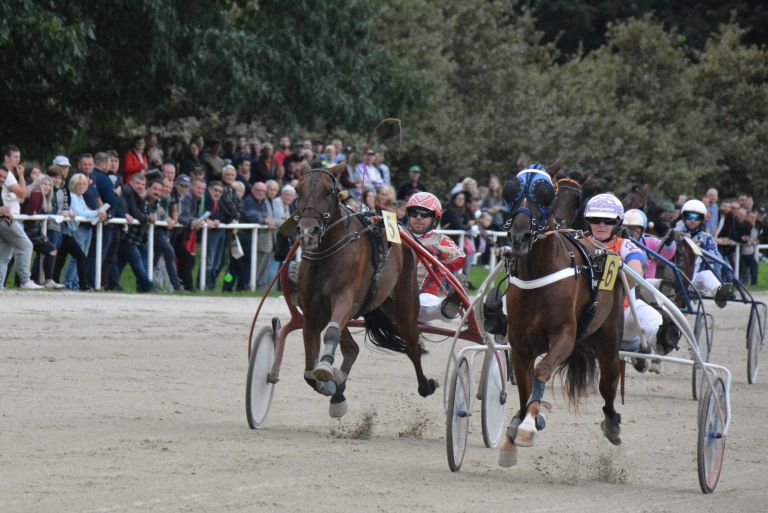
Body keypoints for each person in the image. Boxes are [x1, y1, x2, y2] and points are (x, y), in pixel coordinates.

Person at [584, 194, 663, 372]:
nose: (601, 225)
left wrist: (616, 276)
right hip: (583, 317)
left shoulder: (625, 245)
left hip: (620, 317)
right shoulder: (577, 245)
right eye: (595, 219)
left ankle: (660, 339)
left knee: (644, 311)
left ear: (617, 223)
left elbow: (636, 270)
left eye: (608, 221)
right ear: (588, 221)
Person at [406, 192, 466, 323]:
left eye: (425, 214)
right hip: (390, 289)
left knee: (425, 303)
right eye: (414, 212)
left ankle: (445, 308)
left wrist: (437, 250)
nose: (418, 217)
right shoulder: (396, 233)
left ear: (435, 218)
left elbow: (460, 259)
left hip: (423, 295)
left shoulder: (441, 240)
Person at [0, 145, 43, 290]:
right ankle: (25, 280)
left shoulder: (7, 174)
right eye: (15, 157)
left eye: (19, 157)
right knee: (26, 245)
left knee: (4, 254)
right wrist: (22, 176)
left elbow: (22, 196)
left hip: (6, 216)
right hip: (6, 218)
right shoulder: (5, 173)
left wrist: (20, 175)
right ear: (6, 157)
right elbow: (23, 194)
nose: (18, 159)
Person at [680, 199, 732, 308]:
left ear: (702, 220)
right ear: (684, 217)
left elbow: (713, 260)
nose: (692, 220)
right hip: (676, 278)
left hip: (693, 282)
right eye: (689, 216)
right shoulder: (676, 234)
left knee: (706, 274)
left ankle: (720, 294)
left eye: (696, 217)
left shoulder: (707, 238)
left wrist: (702, 248)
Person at [21, 175, 62, 287]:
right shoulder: (37, 193)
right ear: (39, 184)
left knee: (51, 250)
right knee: (18, 254)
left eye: (49, 185)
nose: (47, 187)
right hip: (27, 229)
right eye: (44, 184)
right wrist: (34, 212)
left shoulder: (41, 196)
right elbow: (30, 212)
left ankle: (48, 280)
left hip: (33, 230)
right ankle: (21, 281)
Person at [623, 209, 676, 281]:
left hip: (647, 284)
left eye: (635, 228)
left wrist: (668, 243)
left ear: (642, 230)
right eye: (627, 228)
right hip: (624, 282)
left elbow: (666, 255)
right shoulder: (618, 242)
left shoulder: (650, 242)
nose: (631, 232)